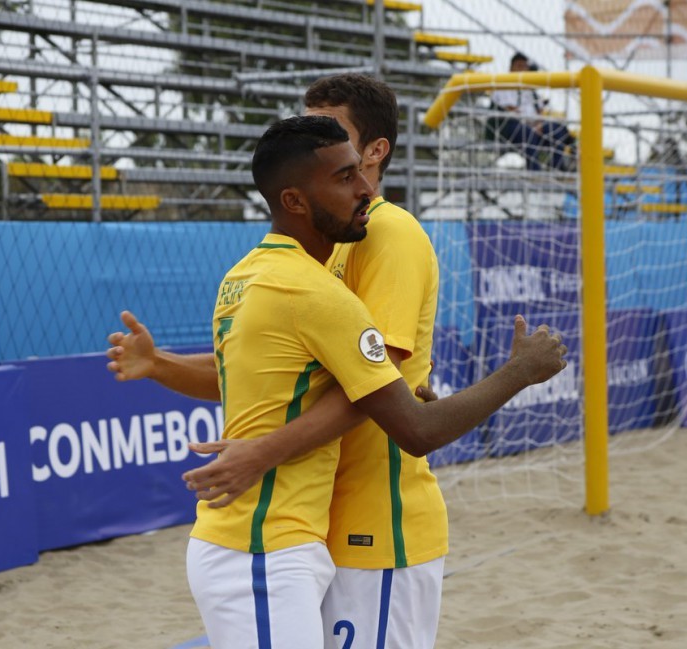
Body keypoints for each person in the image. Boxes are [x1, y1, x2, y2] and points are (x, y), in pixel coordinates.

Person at [162, 114, 567, 648]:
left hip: (268, 541)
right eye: (344, 178)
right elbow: (415, 429)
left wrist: (158, 365)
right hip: (262, 545)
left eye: (361, 170)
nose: (365, 188)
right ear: (295, 201)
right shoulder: (320, 295)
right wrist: (519, 372)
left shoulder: (243, 276)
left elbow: (253, 381)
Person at [108, 73, 471, 648]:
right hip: (300, 528)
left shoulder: (383, 235)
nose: (348, 169)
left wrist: (258, 449)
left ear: (375, 151)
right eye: (334, 162)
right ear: (296, 196)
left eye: (345, 146)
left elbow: (380, 392)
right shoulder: (304, 271)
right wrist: (166, 368)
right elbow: (318, 384)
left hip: (370, 520)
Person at [488, 52, 575, 172]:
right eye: (519, 66)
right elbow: (510, 111)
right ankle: (534, 171)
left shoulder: (529, 90)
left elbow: (539, 111)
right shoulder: (503, 86)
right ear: (511, 68)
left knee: (559, 129)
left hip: (534, 126)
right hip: (511, 128)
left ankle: (556, 167)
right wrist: (532, 125)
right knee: (527, 132)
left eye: (525, 67)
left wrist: (538, 124)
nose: (522, 70)